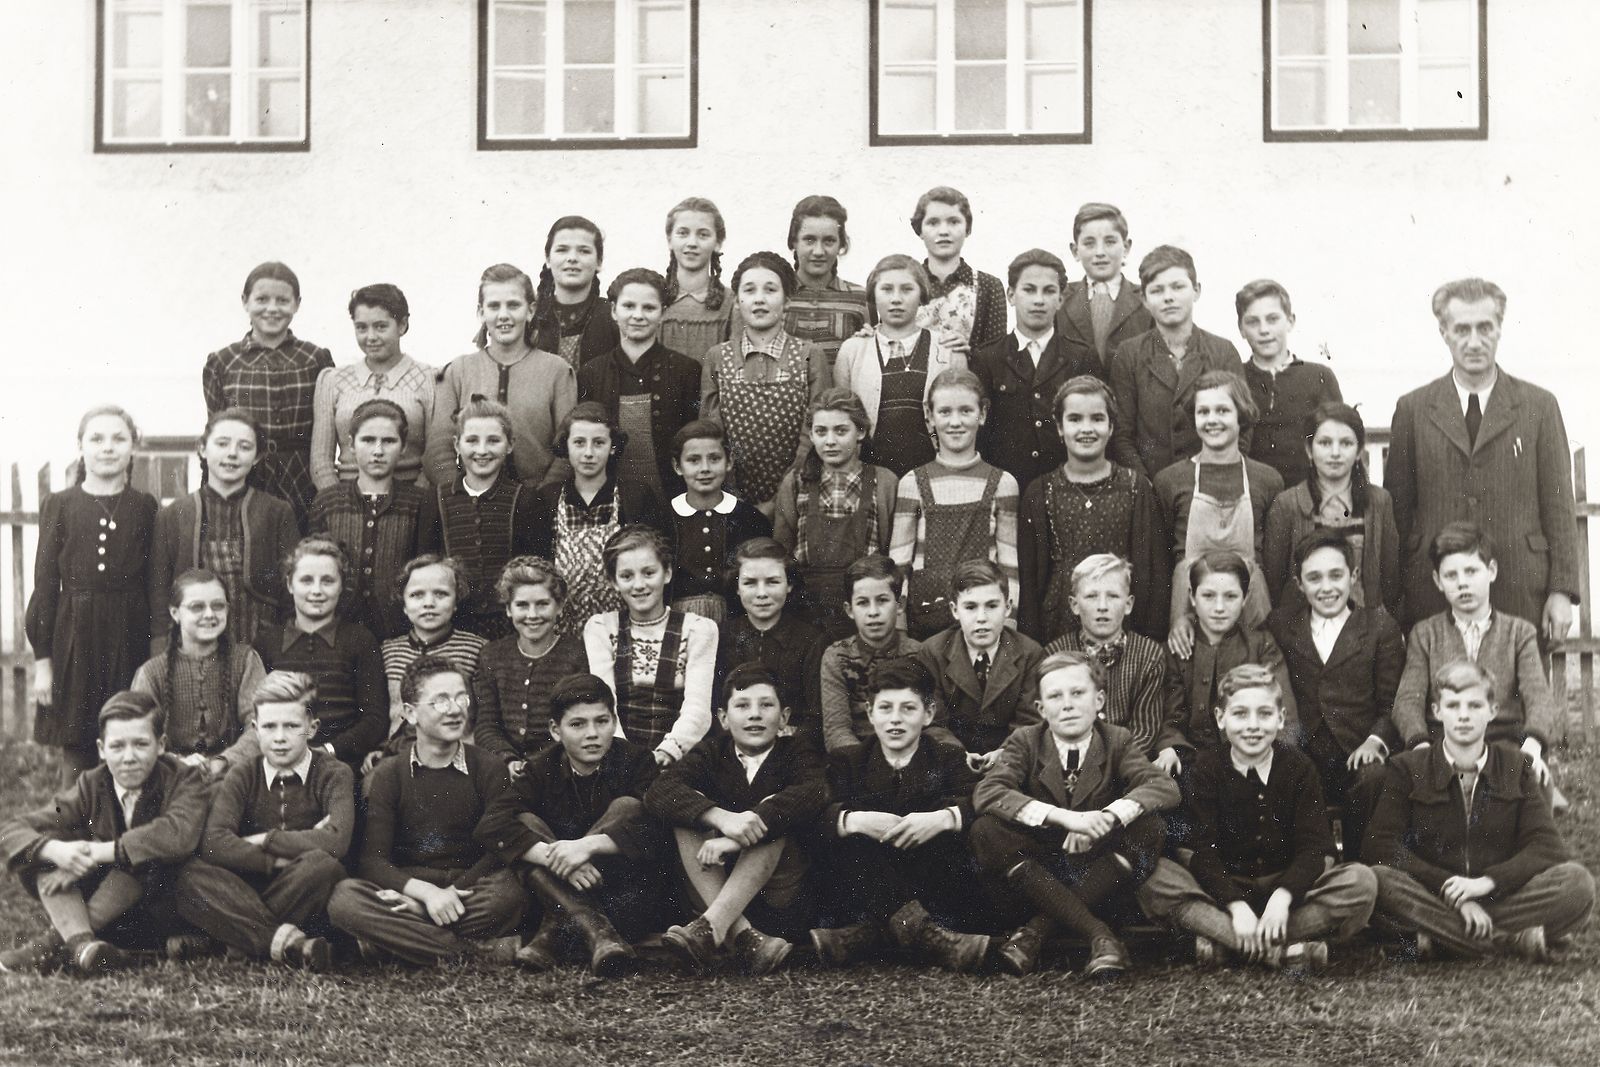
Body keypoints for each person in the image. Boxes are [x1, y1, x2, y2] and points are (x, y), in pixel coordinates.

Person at [1138, 665, 1377, 972]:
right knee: (1153, 876)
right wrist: (1236, 906)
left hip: (1287, 895)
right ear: (1221, 718)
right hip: (1224, 894)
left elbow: (1316, 849)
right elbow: (1199, 852)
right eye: (1240, 714)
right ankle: (1279, 949)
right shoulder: (1205, 769)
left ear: (1280, 718)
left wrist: (1282, 898)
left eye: (1264, 714)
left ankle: (1228, 944)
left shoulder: (1299, 768)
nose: (1253, 726)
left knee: (1361, 882)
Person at [1387, 278, 1579, 641]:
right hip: (1433, 590)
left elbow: (1559, 506)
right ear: (1444, 333)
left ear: (1500, 329)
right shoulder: (1413, 409)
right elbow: (1397, 511)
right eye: (1462, 329)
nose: (1474, 342)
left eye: (1484, 328)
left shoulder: (1539, 406)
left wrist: (1562, 590)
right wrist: (1397, 599)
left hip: (1520, 585)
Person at [1366, 660, 1595, 963]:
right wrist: (1455, 895)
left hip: (1502, 897)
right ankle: (1509, 939)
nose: (1463, 715)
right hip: (1435, 896)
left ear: (1492, 711)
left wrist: (1486, 884)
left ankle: (1446, 940)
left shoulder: (1516, 766)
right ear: (1437, 711)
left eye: (1474, 705)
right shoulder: (1407, 768)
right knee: (1379, 881)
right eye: (1453, 705)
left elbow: (1547, 846)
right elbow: (1380, 846)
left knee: (1577, 884)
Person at [971, 651, 1180, 978]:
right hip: (1038, 876)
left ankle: (1036, 932)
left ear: (1099, 700)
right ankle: (1099, 935)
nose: (1067, 705)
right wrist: (1065, 818)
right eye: (1055, 696)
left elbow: (1162, 786)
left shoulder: (1117, 740)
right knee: (987, 829)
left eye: (1078, 693)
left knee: (1150, 826)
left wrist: (1106, 818)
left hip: (1097, 876)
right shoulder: (1026, 740)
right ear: (1041, 708)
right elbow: (989, 791)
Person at [326, 656, 525, 966]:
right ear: (410, 713)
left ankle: (396, 943)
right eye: (441, 700)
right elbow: (373, 861)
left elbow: (496, 852)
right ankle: (476, 953)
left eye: (461, 698)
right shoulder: (389, 773)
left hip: (471, 887)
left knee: (510, 893)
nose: (456, 710)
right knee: (344, 899)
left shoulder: (489, 767)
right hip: (412, 885)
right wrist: (426, 896)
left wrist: (442, 898)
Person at [0, 692, 207, 974]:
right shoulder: (92, 783)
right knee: (42, 846)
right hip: (113, 907)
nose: (128, 757)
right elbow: (11, 829)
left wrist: (97, 853)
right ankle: (85, 948)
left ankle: (55, 945)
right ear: (101, 749)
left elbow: (176, 833)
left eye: (141, 744)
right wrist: (57, 851)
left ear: (160, 745)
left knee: (146, 857)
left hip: (160, 906)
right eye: (117, 746)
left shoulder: (183, 778)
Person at [475, 672, 664, 975]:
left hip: (621, 893)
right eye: (577, 724)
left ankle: (554, 935)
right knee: (525, 822)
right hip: (561, 890)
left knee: (628, 807)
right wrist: (556, 858)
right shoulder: (540, 768)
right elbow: (491, 824)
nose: (592, 734)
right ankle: (598, 934)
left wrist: (587, 847)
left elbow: (658, 827)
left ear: (614, 722)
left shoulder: (637, 761)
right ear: (555, 729)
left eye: (601, 721)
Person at [810, 659, 992, 972]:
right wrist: (854, 821)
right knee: (848, 835)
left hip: (931, 885)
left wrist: (942, 818)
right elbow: (816, 814)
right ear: (870, 713)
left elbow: (978, 801)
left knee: (952, 833)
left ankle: (871, 936)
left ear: (928, 714)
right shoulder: (847, 761)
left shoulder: (948, 758)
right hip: (866, 883)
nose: (895, 719)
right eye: (885, 708)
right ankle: (926, 936)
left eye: (908, 709)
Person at [645, 664, 828, 975]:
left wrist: (738, 836)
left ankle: (712, 929)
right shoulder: (711, 752)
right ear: (723, 718)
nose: (754, 715)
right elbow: (659, 791)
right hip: (713, 887)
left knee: (772, 812)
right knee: (687, 812)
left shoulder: (797, 751)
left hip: (777, 901)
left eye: (766, 705)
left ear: (784, 717)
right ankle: (742, 936)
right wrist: (721, 818)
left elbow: (814, 792)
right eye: (742, 706)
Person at [172, 671, 351, 970]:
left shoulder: (334, 773)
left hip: (300, 886)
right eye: (269, 726)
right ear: (255, 729)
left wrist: (266, 840)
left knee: (324, 866)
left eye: (291, 726)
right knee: (190, 874)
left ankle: (231, 939)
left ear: (312, 728)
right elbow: (214, 843)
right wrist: (275, 860)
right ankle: (287, 944)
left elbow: (336, 841)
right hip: (245, 886)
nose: (279, 737)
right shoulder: (243, 773)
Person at [29, 405, 158, 782]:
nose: (108, 447)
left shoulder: (144, 506)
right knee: (78, 744)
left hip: (129, 634)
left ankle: (125, 815)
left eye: (119, 439)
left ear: (133, 447)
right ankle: (73, 813)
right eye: (97, 439)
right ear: (81, 446)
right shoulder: (60, 504)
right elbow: (45, 586)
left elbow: (154, 583)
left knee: (129, 729)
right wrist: (43, 662)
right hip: (75, 635)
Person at [1266, 532, 1404, 858]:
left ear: (1353, 576)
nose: (1326, 587)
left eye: (1336, 575)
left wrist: (1375, 741)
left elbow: (1392, 702)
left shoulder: (1379, 627)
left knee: (1374, 777)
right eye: (1314, 578)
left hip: (1358, 748)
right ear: (1299, 584)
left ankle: (1361, 864)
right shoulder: (1281, 625)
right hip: (1304, 750)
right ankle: (1310, 867)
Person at [1390, 523, 1558, 784]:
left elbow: (1538, 696)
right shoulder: (1425, 634)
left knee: (1530, 785)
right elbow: (1407, 700)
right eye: (1451, 575)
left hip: (1501, 743)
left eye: (1471, 571)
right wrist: (1420, 745)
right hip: (1441, 744)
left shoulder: (1519, 633)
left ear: (1491, 571)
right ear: (1438, 581)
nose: (1462, 583)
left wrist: (1533, 744)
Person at [1017, 376, 1169, 644]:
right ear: (1060, 427)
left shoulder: (1135, 488)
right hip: (1058, 631)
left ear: (1111, 427)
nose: (1086, 429)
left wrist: (1148, 641)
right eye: (1075, 419)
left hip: (1123, 630)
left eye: (1097, 419)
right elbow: (1030, 584)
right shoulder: (1040, 492)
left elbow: (1153, 574)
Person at [149, 409, 299, 654]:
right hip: (192, 645)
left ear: (257, 457)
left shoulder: (277, 512)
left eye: (244, 446)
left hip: (261, 643)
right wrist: (161, 649)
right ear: (202, 449)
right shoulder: (173, 515)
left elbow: (291, 588)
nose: (232, 453)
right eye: (222, 443)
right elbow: (159, 593)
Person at [1155, 371, 1283, 647]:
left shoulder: (1266, 480)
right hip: (1189, 608)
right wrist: (1178, 617)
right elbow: (1162, 559)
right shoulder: (1171, 480)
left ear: (1241, 414)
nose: (1212, 420)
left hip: (1251, 606)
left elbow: (1275, 559)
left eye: (1222, 410)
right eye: (1203, 412)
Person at [889, 369, 1019, 639]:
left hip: (983, 622)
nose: (955, 422)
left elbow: (1009, 564)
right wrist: (900, 629)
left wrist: (1009, 626)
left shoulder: (1003, 483)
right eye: (945, 412)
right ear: (930, 416)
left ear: (982, 414)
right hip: (925, 624)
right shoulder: (912, 482)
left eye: (966, 411)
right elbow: (899, 564)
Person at [202, 261, 334, 521]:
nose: (272, 308)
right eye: (262, 299)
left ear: (297, 304)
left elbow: (327, 433)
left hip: (302, 479)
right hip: (245, 477)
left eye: (282, 301)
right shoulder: (223, 362)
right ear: (245, 301)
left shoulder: (315, 359)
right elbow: (215, 433)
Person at [423, 263, 575, 488]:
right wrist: (460, 494)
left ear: (530, 310)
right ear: (481, 312)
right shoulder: (458, 371)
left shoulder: (557, 371)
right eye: (494, 306)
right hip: (468, 500)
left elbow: (569, 447)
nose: (503, 315)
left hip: (537, 499)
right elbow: (438, 450)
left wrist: (542, 498)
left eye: (513, 305)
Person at [701, 251, 831, 511]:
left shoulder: (809, 355)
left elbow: (815, 431)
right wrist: (733, 495)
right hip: (732, 497)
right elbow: (711, 432)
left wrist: (781, 498)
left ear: (787, 300)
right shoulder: (718, 357)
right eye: (749, 290)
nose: (759, 299)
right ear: (737, 300)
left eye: (770, 290)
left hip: (796, 493)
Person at [527, 401, 668, 635]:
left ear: (613, 446)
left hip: (624, 626)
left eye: (599, 443)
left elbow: (656, 561)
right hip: (563, 628)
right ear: (566, 445)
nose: (589, 453)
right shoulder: (548, 498)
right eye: (579, 443)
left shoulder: (635, 496)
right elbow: (536, 567)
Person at [583, 526, 718, 765]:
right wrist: (623, 756)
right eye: (627, 576)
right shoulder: (602, 628)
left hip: (677, 758)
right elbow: (603, 703)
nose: (639, 585)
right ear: (614, 581)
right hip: (617, 757)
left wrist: (668, 751)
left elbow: (698, 709)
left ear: (667, 573)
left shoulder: (697, 630)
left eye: (648, 573)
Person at [1109, 246, 1246, 480]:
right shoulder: (1129, 354)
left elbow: (1243, 425)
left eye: (1178, 287)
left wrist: (1219, 478)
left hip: (1213, 484)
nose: (1168, 297)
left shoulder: (1222, 351)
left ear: (1196, 290)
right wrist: (1145, 486)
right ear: (1144, 299)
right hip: (1150, 487)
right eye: (1157, 290)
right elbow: (1122, 434)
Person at [252, 536, 387, 772]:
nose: (316, 591)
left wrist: (329, 750)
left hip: (341, 764)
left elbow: (374, 719)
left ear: (341, 586)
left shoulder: (360, 640)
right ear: (290, 584)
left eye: (327, 581)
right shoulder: (267, 642)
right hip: (278, 762)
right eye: (306, 580)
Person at [308, 397, 438, 639]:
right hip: (338, 630)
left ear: (403, 447)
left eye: (388, 441)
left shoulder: (420, 502)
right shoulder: (328, 501)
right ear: (351, 444)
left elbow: (426, 569)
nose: (378, 451)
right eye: (368, 440)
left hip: (400, 630)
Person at [772, 389, 897, 638]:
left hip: (865, 606)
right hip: (806, 608)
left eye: (841, 431)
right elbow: (781, 551)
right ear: (811, 435)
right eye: (821, 432)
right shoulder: (796, 482)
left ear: (860, 431)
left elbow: (891, 550)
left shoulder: (884, 481)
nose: (830, 441)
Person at [1044, 554, 1184, 774]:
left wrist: (1108, 768)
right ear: (1074, 605)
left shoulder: (1148, 655)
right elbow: (1052, 723)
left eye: (1113, 596)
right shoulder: (1055, 654)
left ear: (1128, 604)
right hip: (1070, 762)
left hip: (1126, 765)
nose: (1102, 606)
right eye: (1091, 596)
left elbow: (1145, 729)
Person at [971, 248, 1097, 489]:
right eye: (1029, 290)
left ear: (1060, 299)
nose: (1039, 300)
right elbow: (979, 433)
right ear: (1011, 295)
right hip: (1006, 489)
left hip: (1067, 488)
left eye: (1049, 291)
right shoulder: (987, 358)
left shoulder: (1081, 357)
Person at [416, 397, 540, 640]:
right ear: (457, 444)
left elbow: (535, 571)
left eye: (493, 440)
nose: (482, 451)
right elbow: (425, 565)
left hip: (509, 629)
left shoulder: (525, 500)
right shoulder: (436, 499)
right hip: (452, 628)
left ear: (510, 444)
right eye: (472, 440)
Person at [1263, 402, 1401, 617]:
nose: (1335, 453)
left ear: (1359, 451)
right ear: (1309, 450)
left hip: (1364, 624)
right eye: (1325, 443)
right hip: (1305, 627)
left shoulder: (1379, 502)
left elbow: (1390, 577)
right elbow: (1275, 581)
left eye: (1346, 443)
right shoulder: (1287, 504)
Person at [577, 267, 704, 498]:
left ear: (663, 313)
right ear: (613, 311)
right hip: (610, 498)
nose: (638, 315)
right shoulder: (591, 373)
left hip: (672, 495)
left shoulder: (686, 371)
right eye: (628, 306)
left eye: (649, 308)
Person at [834, 254, 964, 478]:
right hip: (869, 475)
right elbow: (841, 419)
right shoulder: (852, 350)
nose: (896, 299)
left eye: (907, 289)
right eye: (886, 289)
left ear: (922, 294)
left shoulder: (947, 349)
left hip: (934, 471)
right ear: (873, 294)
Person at [132, 569, 266, 779]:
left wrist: (224, 761)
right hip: (171, 778)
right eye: (197, 607)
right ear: (175, 613)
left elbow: (262, 724)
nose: (209, 614)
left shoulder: (246, 661)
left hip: (236, 776)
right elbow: (138, 734)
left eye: (218, 606)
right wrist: (176, 763)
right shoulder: (151, 673)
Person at [915, 559, 1042, 769]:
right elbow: (932, 722)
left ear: (1007, 607)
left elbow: (1030, 722)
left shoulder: (1030, 654)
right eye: (971, 607)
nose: (981, 618)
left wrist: (1005, 753)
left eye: (992, 606)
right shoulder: (933, 652)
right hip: (950, 762)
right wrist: (956, 754)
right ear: (955, 610)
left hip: (1011, 762)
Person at [1169, 551, 1297, 755]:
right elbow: (1170, 721)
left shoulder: (1261, 645)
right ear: (1192, 597)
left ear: (1245, 598)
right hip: (1191, 760)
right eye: (1208, 596)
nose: (1219, 607)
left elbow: (1285, 716)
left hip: (1251, 757)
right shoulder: (1179, 646)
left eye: (1230, 596)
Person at [310, 283, 434, 490]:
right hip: (345, 496)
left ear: (402, 325)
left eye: (381, 326)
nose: (371, 337)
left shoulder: (429, 379)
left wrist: (416, 501)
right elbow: (320, 462)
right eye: (361, 328)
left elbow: (433, 456)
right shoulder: (332, 380)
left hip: (412, 496)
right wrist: (338, 501)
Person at [473, 556, 588, 775]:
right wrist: (507, 760)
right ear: (508, 609)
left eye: (542, 604)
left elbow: (578, 723)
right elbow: (486, 725)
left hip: (559, 769)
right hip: (504, 769)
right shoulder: (492, 655)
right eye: (522, 605)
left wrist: (537, 765)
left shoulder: (577, 654)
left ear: (559, 606)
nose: (532, 615)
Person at [1234, 280, 1341, 488]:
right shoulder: (1234, 378)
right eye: (1253, 322)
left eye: (1272, 319)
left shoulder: (1319, 377)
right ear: (1241, 329)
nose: (1264, 330)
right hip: (1250, 495)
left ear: (1290, 321)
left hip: (1308, 495)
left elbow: (1338, 440)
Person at [665, 420, 772, 624]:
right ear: (678, 466)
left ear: (729, 462)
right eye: (694, 460)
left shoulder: (749, 518)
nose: (705, 468)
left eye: (714, 459)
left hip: (737, 621)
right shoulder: (664, 519)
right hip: (678, 622)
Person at [715, 538, 823, 738]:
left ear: (789, 584)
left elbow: (816, 716)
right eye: (750, 583)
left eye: (773, 582)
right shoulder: (720, 637)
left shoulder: (811, 641)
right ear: (737, 587)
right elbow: (712, 708)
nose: (762, 593)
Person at [819, 555, 923, 753]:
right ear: (849, 609)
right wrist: (869, 763)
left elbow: (930, 724)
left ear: (900, 605)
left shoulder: (919, 655)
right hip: (857, 760)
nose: (873, 612)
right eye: (863, 603)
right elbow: (836, 730)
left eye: (882, 600)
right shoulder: (837, 657)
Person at [378, 555, 489, 723]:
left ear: (456, 601)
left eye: (441, 594)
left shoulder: (477, 650)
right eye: (417, 595)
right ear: (404, 605)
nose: (429, 603)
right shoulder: (388, 652)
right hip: (399, 739)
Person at [1054, 202, 1152, 378]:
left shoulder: (1147, 300)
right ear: (1075, 251)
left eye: (1110, 242)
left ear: (1126, 247)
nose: (1100, 252)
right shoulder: (1059, 300)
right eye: (1089, 243)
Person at [910, 186, 1006, 356]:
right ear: (920, 230)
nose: (944, 231)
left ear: (967, 229)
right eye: (933, 222)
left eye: (954, 222)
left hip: (968, 372)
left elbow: (997, 356)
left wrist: (971, 353)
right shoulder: (905, 283)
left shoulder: (989, 286)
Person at [783, 195, 870, 373]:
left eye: (829, 241)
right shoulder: (776, 295)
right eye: (809, 240)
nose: (818, 251)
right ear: (794, 242)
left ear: (841, 244)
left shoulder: (860, 298)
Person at [531, 216, 619, 370]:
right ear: (548, 259)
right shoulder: (530, 316)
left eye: (584, 251)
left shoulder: (614, 317)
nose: (572, 258)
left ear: (599, 261)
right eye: (562, 250)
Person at [660, 197, 736, 363]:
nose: (692, 243)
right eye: (683, 233)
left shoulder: (731, 304)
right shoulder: (654, 300)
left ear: (718, 243)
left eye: (703, 234)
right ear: (669, 240)